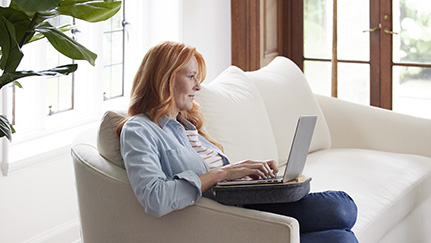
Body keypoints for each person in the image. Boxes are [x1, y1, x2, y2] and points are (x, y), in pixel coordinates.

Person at [118, 41, 358, 243]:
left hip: (246, 201)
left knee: (343, 234)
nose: (197, 86)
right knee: (342, 208)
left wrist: (245, 177)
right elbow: (155, 197)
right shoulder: (140, 130)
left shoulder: (187, 126)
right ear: (165, 79)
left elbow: (218, 176)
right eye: (191, 76)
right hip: (233, 217)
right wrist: (224, 173)